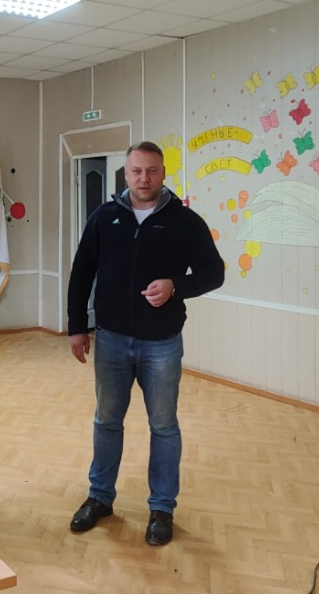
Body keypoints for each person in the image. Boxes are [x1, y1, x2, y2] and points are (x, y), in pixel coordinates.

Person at [65, 141, 224, 546]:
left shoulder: (184, 221)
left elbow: (214, 272)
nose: (144, 178)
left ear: (163, 173)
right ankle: (100, 497)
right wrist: (76, 326)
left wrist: (176, 286)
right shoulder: (105, 217)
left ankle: (162, 508)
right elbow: (82, 271)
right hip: (112, 340)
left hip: (161, 344)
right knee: (106, 421)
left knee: (164, 426)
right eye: (136, 171)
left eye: (152, 171)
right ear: (126, 173)